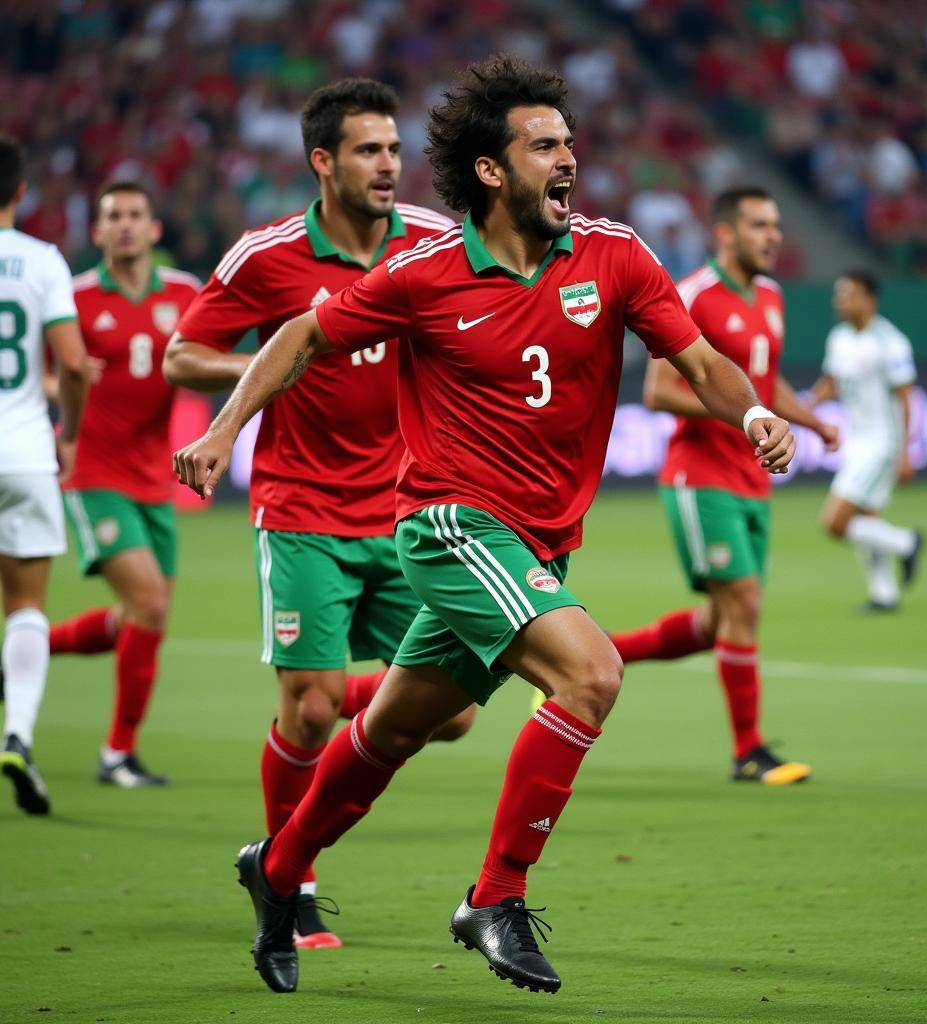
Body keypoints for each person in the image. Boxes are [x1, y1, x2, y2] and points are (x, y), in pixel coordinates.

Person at [172, 54, 796, 996]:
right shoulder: (423, 276)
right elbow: (302, 334)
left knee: (392, 733)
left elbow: (700, 360)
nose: (569, 158)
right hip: (449, 524)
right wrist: (226, 429)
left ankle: (278, 864)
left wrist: (750, 414)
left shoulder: (613, 255)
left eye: (571, 142)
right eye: (545, 144)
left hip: (539, 538)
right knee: (591, 674)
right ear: (494, 170)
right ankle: (495, 897)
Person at [162, 79, 471, 950]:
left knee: (452, 713)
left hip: (411, 510)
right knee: (307, 708)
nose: (388, 166)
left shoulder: (437, 241)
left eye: (395, 149)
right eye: (368, 151)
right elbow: (183, 354)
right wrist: (271, 363)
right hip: (302, 509)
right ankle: (287, 879)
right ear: (322, 163)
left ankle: (333, 689)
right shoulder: (265, 255)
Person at [609, 186, 838, 784]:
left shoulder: (771, 295)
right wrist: (745, 415)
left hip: (752, 479)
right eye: (760, 225)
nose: (774, 236)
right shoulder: (692, 295)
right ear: (726, 233)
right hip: (700, 478)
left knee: (720, 624)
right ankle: (749, 751)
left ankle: (595, 655)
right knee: (745, 606)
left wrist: (809, 419)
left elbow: (761, 378)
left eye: (777, 225)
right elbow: (659, 391)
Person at [52, 180, 200, 787]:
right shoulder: (76, 297)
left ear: (155, 229)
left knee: (139, 618)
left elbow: (207, 350)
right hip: (92, 470)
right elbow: (38, 374)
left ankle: (24, 654)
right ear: (98, 231)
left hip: (154, 474)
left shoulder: (186, 293)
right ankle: (117, 754)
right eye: (112, 215)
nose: (125, 225)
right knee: (150, 602)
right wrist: (62, 387)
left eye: (136, 214)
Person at [0, 134, 89, 814]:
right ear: (20, 192)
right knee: (26, 604)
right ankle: (19, 735)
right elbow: (76, 363)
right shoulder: (41, 261)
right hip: (25, 450)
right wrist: (70, 436)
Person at [809, 269, 923, 611]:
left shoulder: (890, 342)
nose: (840, 301)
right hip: (856, 442)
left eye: (848, 295)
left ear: (869, 299)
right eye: (838, 295)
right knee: (866, 517)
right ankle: (884, 594)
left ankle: (906, 542)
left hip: (881, 444)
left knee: (834, 523)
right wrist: (802, 411)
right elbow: (830, 383)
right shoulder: (838, 338)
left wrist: (906, 451)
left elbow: (905, 398)